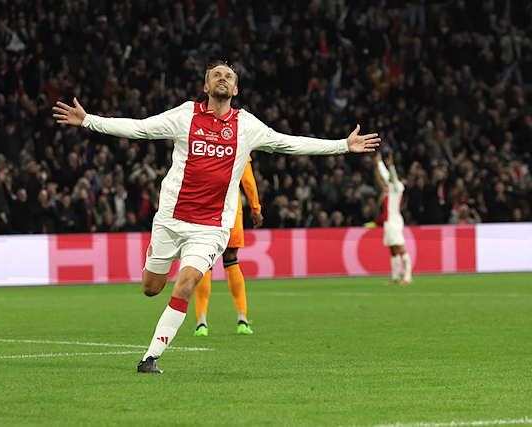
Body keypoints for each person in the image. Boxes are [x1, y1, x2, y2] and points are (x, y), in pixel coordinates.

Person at [53, 61, 380, 374]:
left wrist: (342, 146)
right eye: (216, 75)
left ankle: (150, 357)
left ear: (235, 90)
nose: (223, 78)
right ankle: (158, 265)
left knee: (185, 285)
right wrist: (89, 120)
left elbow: (289, 144)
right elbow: (140, 128)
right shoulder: (185, 115)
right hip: (171, 220)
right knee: (151, 288)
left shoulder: (247, 125)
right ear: (206, 86)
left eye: (229, 76)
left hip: (210, 228)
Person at [194, 156, 263, 337]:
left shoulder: (206, 145)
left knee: (206, 261)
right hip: (232, 210)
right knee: (231, 259)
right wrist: (255, 209)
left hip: (207, 208)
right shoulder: (240, 145)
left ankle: (201, 323)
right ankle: (242, 320)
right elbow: (248, 181)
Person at [374, 151, 412, 285]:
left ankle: (408, 276)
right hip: (388, 222)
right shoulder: (390, 186)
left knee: (400, 248)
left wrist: (391, 167)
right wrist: (379, 162)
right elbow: (386, 175)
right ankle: (395, 276)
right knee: (393, 249)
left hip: (394, 221)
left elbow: (392, 177)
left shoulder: (398, 187)